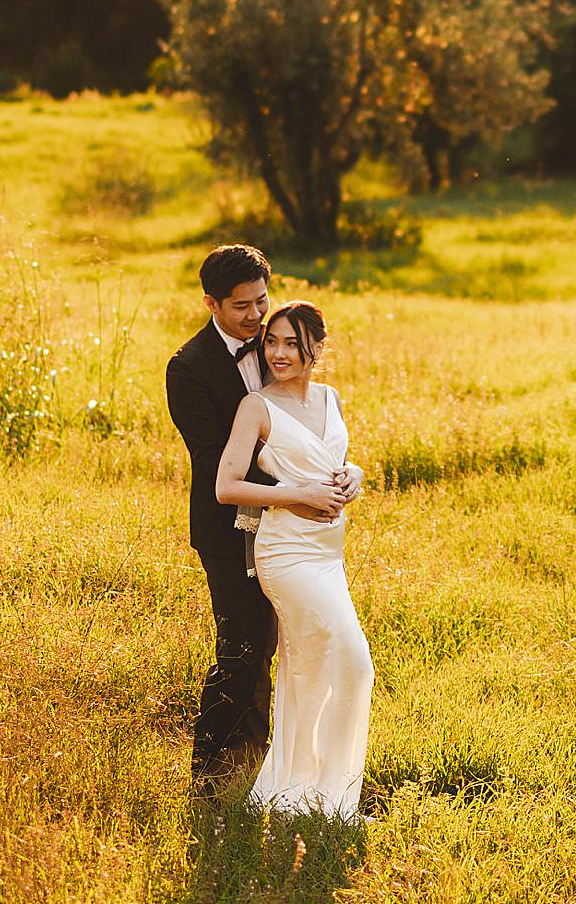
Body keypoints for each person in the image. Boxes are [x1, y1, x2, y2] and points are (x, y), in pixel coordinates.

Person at [215, 300, 373, 820]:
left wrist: (353, 474)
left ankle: (304, 792)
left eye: (291, 344)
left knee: (310, 666)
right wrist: (294, 491)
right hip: (286, 552)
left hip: (329, 552)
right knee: (354, 661)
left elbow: (332, 457)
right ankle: (328, 793)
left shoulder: (330, 397)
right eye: (272, 342)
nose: (279, 353)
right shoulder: (256, 407)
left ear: (318, 349)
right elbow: (226, 486)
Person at [165, 243, 282, 793]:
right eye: (242, 307)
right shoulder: (189, 368)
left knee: (271, 643)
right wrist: (290, 486)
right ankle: (210, 774)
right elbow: (213, 460)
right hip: (226, 525)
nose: (257, 316)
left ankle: (257, 760)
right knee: (240, 647)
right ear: (211, 304)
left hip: (288, 526)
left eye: (262, 300)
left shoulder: (279, 343)